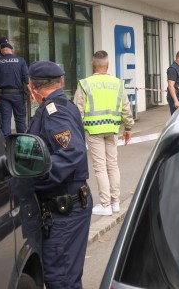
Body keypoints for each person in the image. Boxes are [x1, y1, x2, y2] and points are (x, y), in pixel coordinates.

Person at [26, 61, 92, 289]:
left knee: (60, 280)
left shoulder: (55, 111)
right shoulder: (61, 105)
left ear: (31, 88)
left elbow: (71, 151)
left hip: (64, 208)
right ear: (62, 81)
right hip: (67, 204)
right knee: (63, 278)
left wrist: (34, 180)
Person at [74, 50, 134, 216]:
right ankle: (115, 203)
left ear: (93, 64)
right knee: (113, 165)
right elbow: (126, 109)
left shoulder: (85, 84)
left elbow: (77, 111)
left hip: (93, 130)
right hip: (112, 130)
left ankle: (105, 204)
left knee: (100, 167)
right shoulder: (118, 83)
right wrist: (128, 129)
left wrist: (77, 133)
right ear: (107, 65)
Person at [0, 42, 29, 136]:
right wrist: (32, 94)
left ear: (2, 52)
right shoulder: (21, 60)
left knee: (5, 120)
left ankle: (6, 145)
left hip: (3, 96)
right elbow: (26, 79)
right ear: (11, 50)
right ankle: (22, 142)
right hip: (18, 95)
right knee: (20, 120)